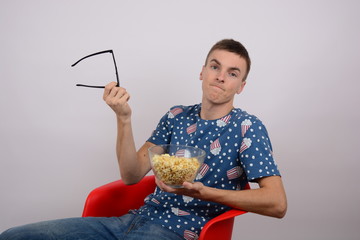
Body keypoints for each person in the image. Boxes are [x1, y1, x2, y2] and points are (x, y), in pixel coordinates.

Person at [0, 39, 287, 240]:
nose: (221, 77)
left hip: (177, 232)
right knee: (13, 236)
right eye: (215, 66)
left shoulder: (247, 127)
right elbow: (131, 175)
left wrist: (204, 192)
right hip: (129, 221)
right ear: (201, 72)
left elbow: (276, 203)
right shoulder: (176, 116)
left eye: (232, 73)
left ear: (242, 85)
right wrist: (123, 118)